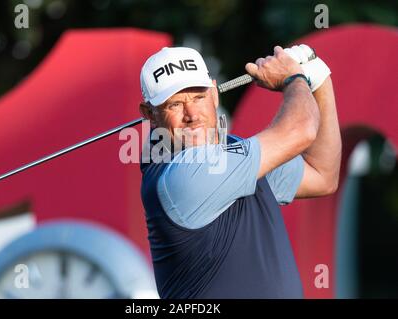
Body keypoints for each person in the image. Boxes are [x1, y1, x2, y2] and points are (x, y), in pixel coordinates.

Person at [138, 45, 341, 298]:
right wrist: (294, 78)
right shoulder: (179, 178)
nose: (191, 115)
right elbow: (301, 130)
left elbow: (322, 175)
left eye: (199, 97)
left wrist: (320, 80)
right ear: (150, 115)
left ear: (215, 95)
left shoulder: (234, 152)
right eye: (175, 104)